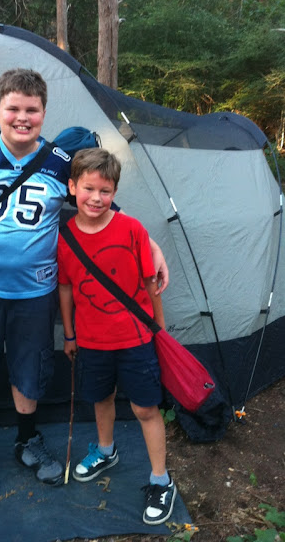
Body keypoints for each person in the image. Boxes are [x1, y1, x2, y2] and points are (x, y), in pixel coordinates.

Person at [0, 68, 170, 487]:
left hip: (36, 293)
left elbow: (100, 207)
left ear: (44, 114)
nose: (22, 118)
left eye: (32, 110)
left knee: (29, 365)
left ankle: (27, 438)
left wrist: (151, 246)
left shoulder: (59, 163)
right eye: (13, 109)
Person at [57, 147, 176, 525]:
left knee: (145, 408)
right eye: (89, 188)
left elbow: (150, 282)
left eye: (105, 191)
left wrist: (159, 331)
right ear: (72, 187)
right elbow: (65, 288)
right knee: (101, 398)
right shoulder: (64, 237)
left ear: (115, 192)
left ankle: (161, 480)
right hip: (92, 341)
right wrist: (70, 334)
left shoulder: (131, 229)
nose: (96, 198)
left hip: (136, 339)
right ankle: (106, 450)